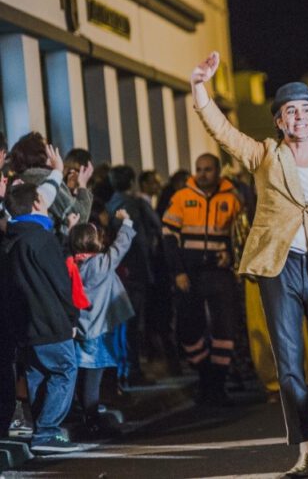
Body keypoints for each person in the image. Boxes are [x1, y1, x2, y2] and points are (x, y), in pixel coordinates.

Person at [190, 51, 308, 477]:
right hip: (278, 267)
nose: (299, 117)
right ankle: (306, 449)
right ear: (279, 121)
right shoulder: (265, 155)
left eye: (305, 110)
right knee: (289, 362)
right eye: (290, 111)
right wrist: (200, 87)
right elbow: (222, 131)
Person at [1, 182, 81, 454]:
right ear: (36, 203)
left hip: (24, 325)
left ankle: (42, 430)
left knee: (36, 374)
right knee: (64, 370)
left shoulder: (9, 241)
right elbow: (61, 284)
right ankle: (47, 432)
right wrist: (72, 318)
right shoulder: (42, 238)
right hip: (51, 320)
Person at [162, 154, 242, 406]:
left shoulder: (232, 198)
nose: (202, 174)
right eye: (199, 169)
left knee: (225, 328)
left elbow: (242, 235)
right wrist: (178, 271)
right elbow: (168, 237)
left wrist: (232, 257)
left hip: (219, 272)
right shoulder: (181, 197)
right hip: (190, 273)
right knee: (187, 329)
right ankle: (205, 375)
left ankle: (217, 385)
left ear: (218, 171)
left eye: (208, 169)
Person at [71, 210, 135, 438]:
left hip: (80, 329)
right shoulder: (100, 264)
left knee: (82, 375)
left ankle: (85, 415)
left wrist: (72, 228)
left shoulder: (72, 265)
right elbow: (120, 246)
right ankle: (93, 421)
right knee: (93, 377)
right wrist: (126, 222)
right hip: (98, 330)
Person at [106, 165, 158, 388]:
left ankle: (122, 369)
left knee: (121, 322)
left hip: (118, 268)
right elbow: (141, 238)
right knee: (133, 323)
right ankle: (132, 370)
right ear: (132, 182)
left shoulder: (110, 204)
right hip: (134, 269)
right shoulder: (133, 204)